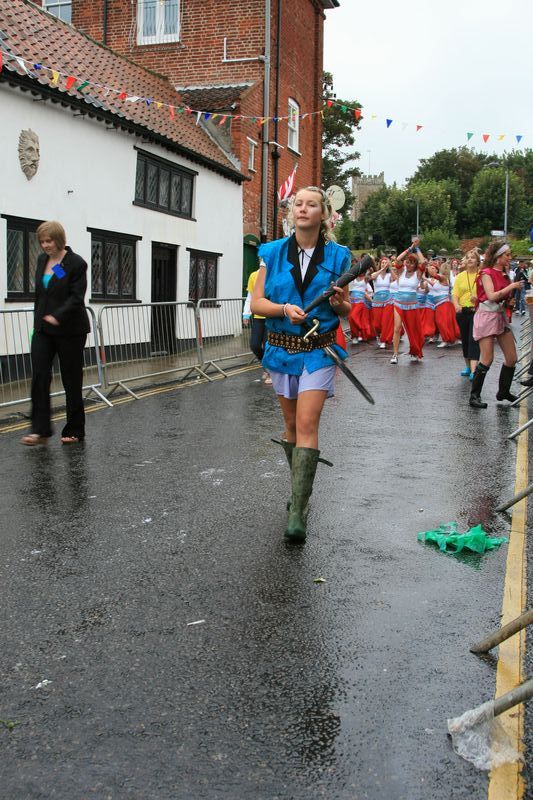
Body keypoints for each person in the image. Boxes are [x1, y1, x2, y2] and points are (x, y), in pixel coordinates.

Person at [251, 186, 352, 542]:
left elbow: (346, 309)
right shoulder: (272, 253)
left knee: (307, 423)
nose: (303, 208)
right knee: (291, 427)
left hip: (319, 352)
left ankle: (297, 512)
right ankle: (298, 492)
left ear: (324, 214)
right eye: (298, 204)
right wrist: (282, 309)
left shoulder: (339, 256)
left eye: (311, 204)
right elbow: (257, 304)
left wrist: (338, 303)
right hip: (281, 350)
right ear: (292, 212)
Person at [21, 221, 90, 445]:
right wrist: (39, 322)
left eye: (48, 241)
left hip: (70, 330)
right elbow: (46, 292)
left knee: (71, 380)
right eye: (42, 242)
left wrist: (57, 315)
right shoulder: (43, 260)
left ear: (59, 240)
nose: (44, 245)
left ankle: (75, 430)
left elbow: (75, 297)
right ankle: (40, 430)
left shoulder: (76, 263)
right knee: (40, 376)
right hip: (43, 330)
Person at [469, 242, 524, 409]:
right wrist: (512, 286)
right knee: (487, 359)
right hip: (486, 316)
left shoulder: (505, 274)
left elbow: (502, 299)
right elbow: (492, 296)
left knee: (512, 358)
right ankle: (474, 396)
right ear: (497, 257)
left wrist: (509, 303)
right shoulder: (486, 273)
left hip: (499, 316)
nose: (510, 257)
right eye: (507, 255)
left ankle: (503, 392)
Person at [389, 243, 426, 364]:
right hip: (398, 303)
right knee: (397, 328)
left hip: (412, 305)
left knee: (413, 329)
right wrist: (410, 248)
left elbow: (423, 262)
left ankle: (415, 350)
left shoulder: (418, 274)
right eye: (408, 262)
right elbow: (398, 259)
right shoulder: (401, 271)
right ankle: (395, 354)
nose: (409, 264)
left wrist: (417, 249)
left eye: (412, 263)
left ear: (415, 265)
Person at [452, 249, 481, 378]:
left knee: (473, 339)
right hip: (462, 311)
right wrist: (456, 305)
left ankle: (474, 370)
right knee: (465, 339)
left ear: (477, 261)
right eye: (468, 257)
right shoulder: (460, 276)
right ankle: (468, 366)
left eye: (472, 257)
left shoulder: (481, 275)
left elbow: (486, 293)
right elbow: (455, 294)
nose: (470, 259)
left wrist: (478, 299)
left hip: (476, 311)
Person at [243, 268, 271, 384]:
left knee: (268, 346)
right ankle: (266, 367)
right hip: (258, 317)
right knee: (254, 345)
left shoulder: (274, 272)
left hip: (272, 317)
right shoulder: (254, 275)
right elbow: (250, 297)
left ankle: (270, 371)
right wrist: (246, 314)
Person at [370, 257, 394, 348]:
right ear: (380, 264)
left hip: (388, 300)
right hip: (377, 300)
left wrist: (390, 268)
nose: (384, 264)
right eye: (382, 263)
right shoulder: (376, 274)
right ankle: (378, 335)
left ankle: (383, 340)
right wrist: (382, 269)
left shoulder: (389, 275)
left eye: (385, 263)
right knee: (376, 323)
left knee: (385, 321)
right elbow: (372, 277)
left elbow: (395, 279)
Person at [347, 270, 374, 344]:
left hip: (361, 301)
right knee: (351, 319)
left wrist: (372, 301)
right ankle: (355, 336)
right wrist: (347, 302)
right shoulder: (352, 279)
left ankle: (362, 329)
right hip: (352, 301)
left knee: (353, 316)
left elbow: (373, 275)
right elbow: (349, 292)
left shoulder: (366, 279)